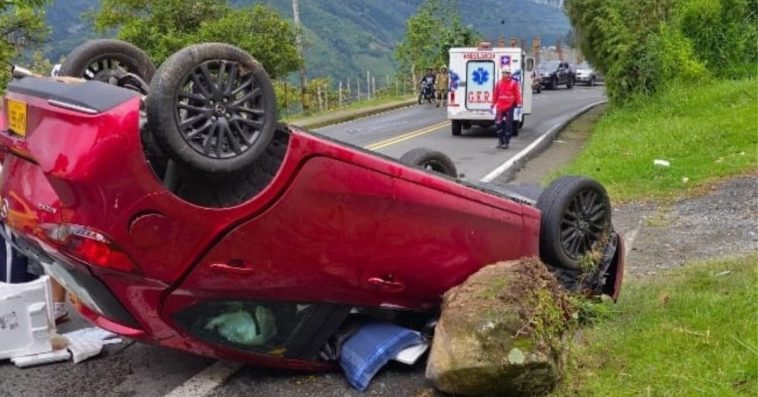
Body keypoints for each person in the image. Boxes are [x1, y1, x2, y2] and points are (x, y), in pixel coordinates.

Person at [490, 69, 522, 149]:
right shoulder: (499, 83)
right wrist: (492, 104)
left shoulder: (513, 83)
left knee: (508, 125)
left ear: (509, 74)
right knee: (498, 124)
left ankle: (506, 142)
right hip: (500, 106)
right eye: (503, 73)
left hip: (509, 106)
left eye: (506, 73)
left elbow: (517, 94)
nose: (504, 75)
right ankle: (500, 140)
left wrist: (519, 105)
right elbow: (495, 95)